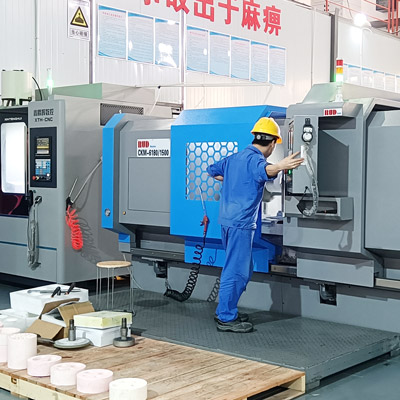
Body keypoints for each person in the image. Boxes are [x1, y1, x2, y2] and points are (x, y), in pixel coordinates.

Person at [206, 117, 304, 333]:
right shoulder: (256, 161)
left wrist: (230, 179)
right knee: (236, 271)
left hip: (227, 221)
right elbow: (265, 170)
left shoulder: (235, 158)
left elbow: (211, 170)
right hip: (241, 224)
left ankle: (227, 310)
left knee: (241, 268)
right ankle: (225, 317)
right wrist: (280, 166)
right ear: (272, 143)